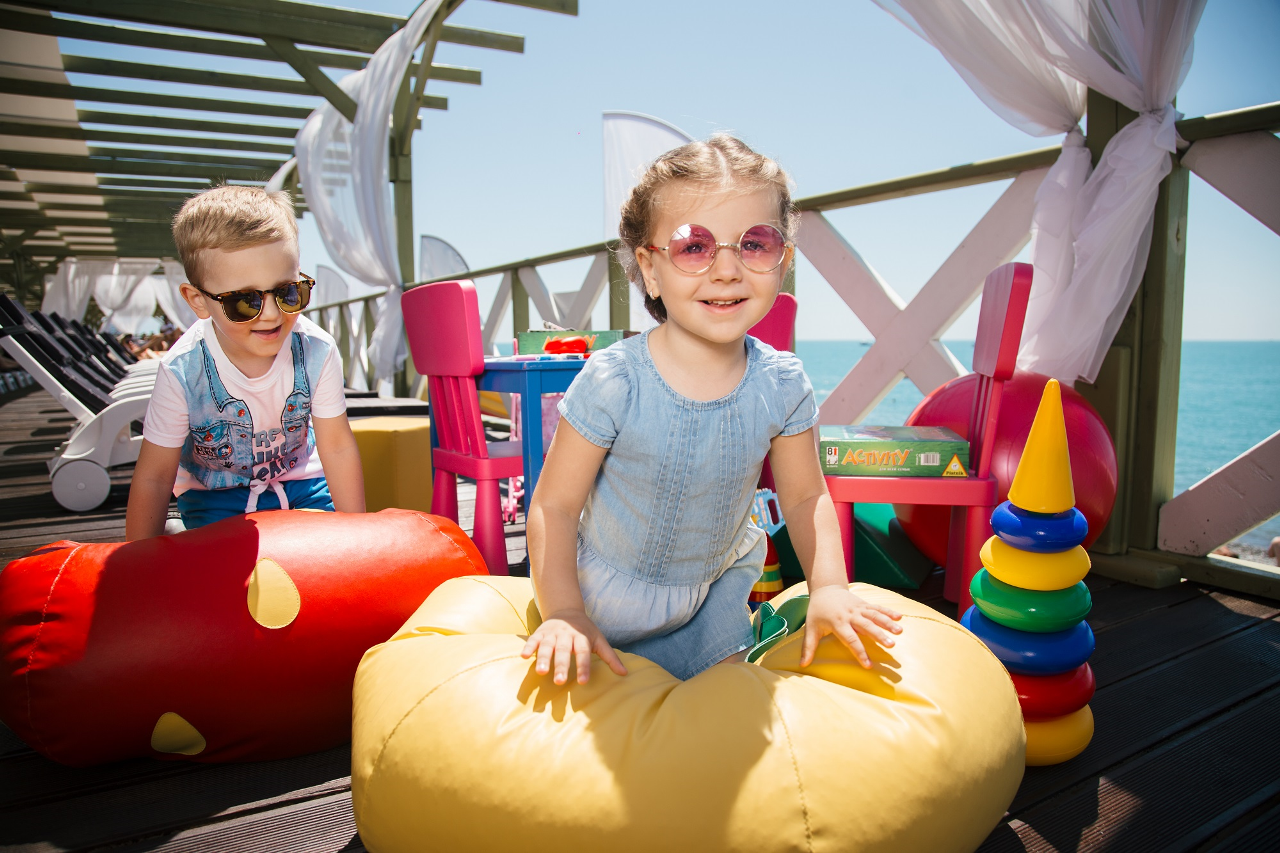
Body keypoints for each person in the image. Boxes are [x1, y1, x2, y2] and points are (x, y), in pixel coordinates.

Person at [522, 135, 902, 684]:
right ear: (650, 269)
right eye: (693, 246)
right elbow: (554, 508)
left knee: (724, 712)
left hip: (711, 603)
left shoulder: (782, 383)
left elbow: (805, 496)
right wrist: (564, 612)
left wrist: (830, 587)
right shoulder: (614, 380)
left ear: (783, 260)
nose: (727, 270)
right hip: (599, 600)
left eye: (755, 244)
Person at [125, 185, 365, 540]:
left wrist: (358, 538)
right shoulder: (182, 370)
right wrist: (139, 561)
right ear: (198, 300)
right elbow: (155, 476)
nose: (271, 315)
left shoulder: (317, 349)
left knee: (325, 555)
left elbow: (337, 447)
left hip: (303, 486)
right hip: (216, 496)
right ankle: (177, 532)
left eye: (288, 292)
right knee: (220, 567)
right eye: (243, 302)